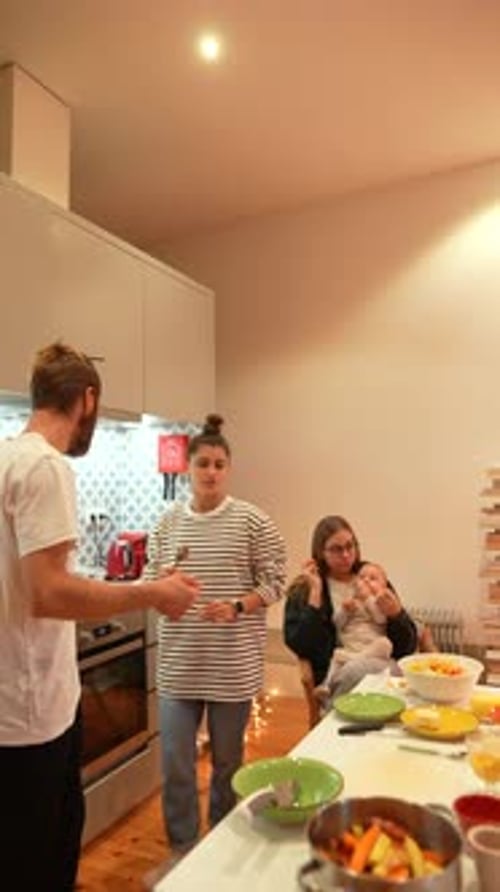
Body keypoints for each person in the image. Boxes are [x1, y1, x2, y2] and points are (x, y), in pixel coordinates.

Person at [0, 342, 201, 892]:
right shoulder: (45, 465)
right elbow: (50, 593)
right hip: (32, 716)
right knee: (41, 863)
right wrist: (153, 592)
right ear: (87, 399)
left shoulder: (5, 457)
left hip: (15, 712)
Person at [144, 413, 286, 857]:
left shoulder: (253, 521)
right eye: (202, 463)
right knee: (176, 766)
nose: (210, 472)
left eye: (219, 464)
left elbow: (276, 581)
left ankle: (220, 850)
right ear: (188, 468)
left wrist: (239, 606)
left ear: (229, 469)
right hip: (178, 667)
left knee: (228, 765)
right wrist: (158, 584)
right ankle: (182, 850)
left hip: (232, 668)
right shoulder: (167, 523)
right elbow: (149, 581)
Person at [283, 515, 417, 695]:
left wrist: (397, 615)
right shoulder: (306, 587)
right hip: (339, 670)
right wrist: (315, 595)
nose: (346, 555)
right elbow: (301, 644)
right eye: (336, 549)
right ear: (321, 552)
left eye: (350, 546)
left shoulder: (372, 577)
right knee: (355, 672)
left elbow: (406, 646)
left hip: (381, 663)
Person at [314, 562, 395, 703]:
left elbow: (380, 619)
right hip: (351, 645)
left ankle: (355, 659)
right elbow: (337, 624)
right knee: (337, 656)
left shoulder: (379, 601)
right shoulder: (351, 600)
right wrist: (344, 611)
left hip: (372, 647)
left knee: (385, 644)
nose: (366, 581)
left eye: (373, 578)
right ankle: (326, 685)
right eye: (362, 577)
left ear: (384, 586)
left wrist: (368, 598)